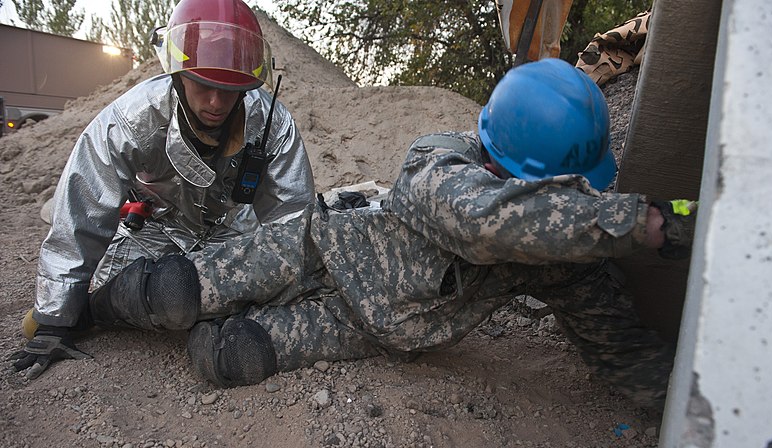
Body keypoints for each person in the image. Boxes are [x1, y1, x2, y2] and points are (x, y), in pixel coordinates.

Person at [16, 59, 696, 409]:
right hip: (317, 246)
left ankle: (222, 323)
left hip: (365, 325)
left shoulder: (566, 250)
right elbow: (484, 223)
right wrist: (631, 223)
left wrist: (694, 403)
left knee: (226, 359)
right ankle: (88, 310)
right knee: (167, 292)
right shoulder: (441, 162)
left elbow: (622, 350)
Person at [10, 0, 314, 378]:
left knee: (244, 291)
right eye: (203, 85)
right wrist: (55, 317)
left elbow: (292, 220)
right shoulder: (130, 120)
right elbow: (81, 211)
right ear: (177, 72)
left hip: (235, 233)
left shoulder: (274, 124)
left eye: (230, 89)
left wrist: (285, 286)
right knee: (124, 291)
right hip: (152, 230)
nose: (217, 102)